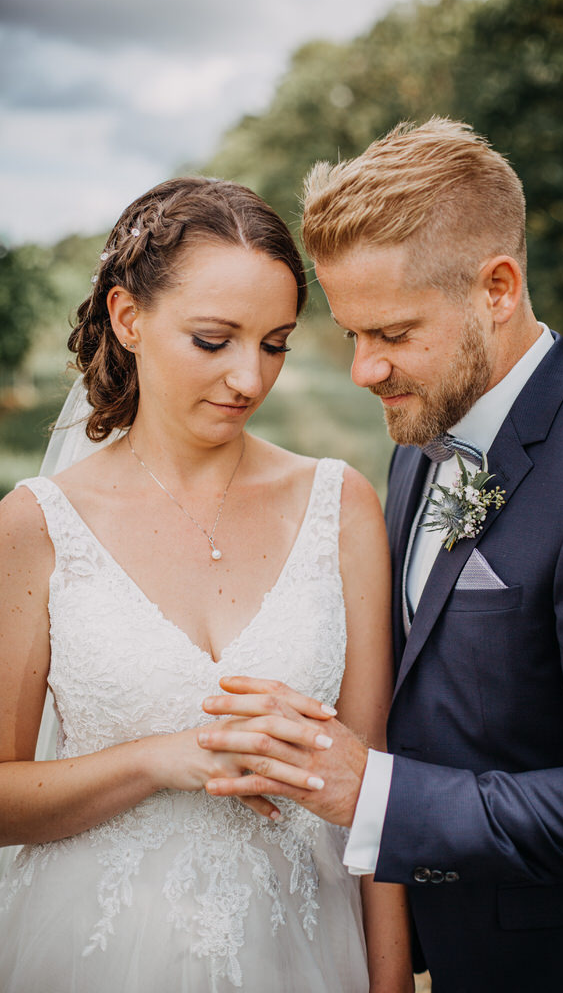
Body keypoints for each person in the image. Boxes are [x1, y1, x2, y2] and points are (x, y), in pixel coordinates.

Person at [196, 120, 563, 992]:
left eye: (393, 332)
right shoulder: (421, 434)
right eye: (349, 335)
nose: (364, 370)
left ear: (496, 288)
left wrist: (374, 795)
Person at [0, 176, 414, 992]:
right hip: (94, 951)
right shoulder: (35, 525)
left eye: (273, 343)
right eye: (213, 339)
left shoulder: (342, 507)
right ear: (129, 318)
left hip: (302, 952)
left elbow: (378, 795)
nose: (249, 381)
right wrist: (159, 760)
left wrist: (391, 984)